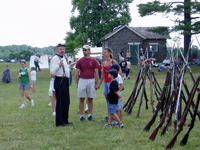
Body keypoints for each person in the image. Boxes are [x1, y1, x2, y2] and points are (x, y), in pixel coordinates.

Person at [50, 43, 73, 127]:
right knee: (60, 101)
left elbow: (66, 68)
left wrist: (71, 65)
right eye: (61, 49)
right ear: (57, 50)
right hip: (59, 80)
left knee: (66, 101)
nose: (62, 50)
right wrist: (59, 66)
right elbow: (52, 71)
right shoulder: (55, 59)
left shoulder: (64, 58)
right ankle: (60, 121)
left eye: (63, 49)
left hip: (65, 80)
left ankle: (65, 119)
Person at [75, 45, 99, 122]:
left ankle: (90, 115)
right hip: (82, 79)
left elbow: (96, 72)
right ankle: (81, 115)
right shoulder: (80, 61)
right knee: (81, 98)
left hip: (91, 80)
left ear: (89, 51)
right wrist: (78, 83)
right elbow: (77, 72)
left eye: (85, 50)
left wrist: (96, 82)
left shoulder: (94, 61)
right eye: (83, 50)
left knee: (90, 98)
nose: (84, 51)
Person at [99, 48, 121, 121]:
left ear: (109, 53)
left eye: (105, 52)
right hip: (106, 83)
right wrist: (99, 84)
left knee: (112, 99)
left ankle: (114, 115)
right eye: (103, 52)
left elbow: (119, 71)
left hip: (111, 83)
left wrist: (115, 79)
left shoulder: (113, 61)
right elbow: (103, 74)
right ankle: (110, 115)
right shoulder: (104, 63)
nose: (103, 53)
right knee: (107, 99)